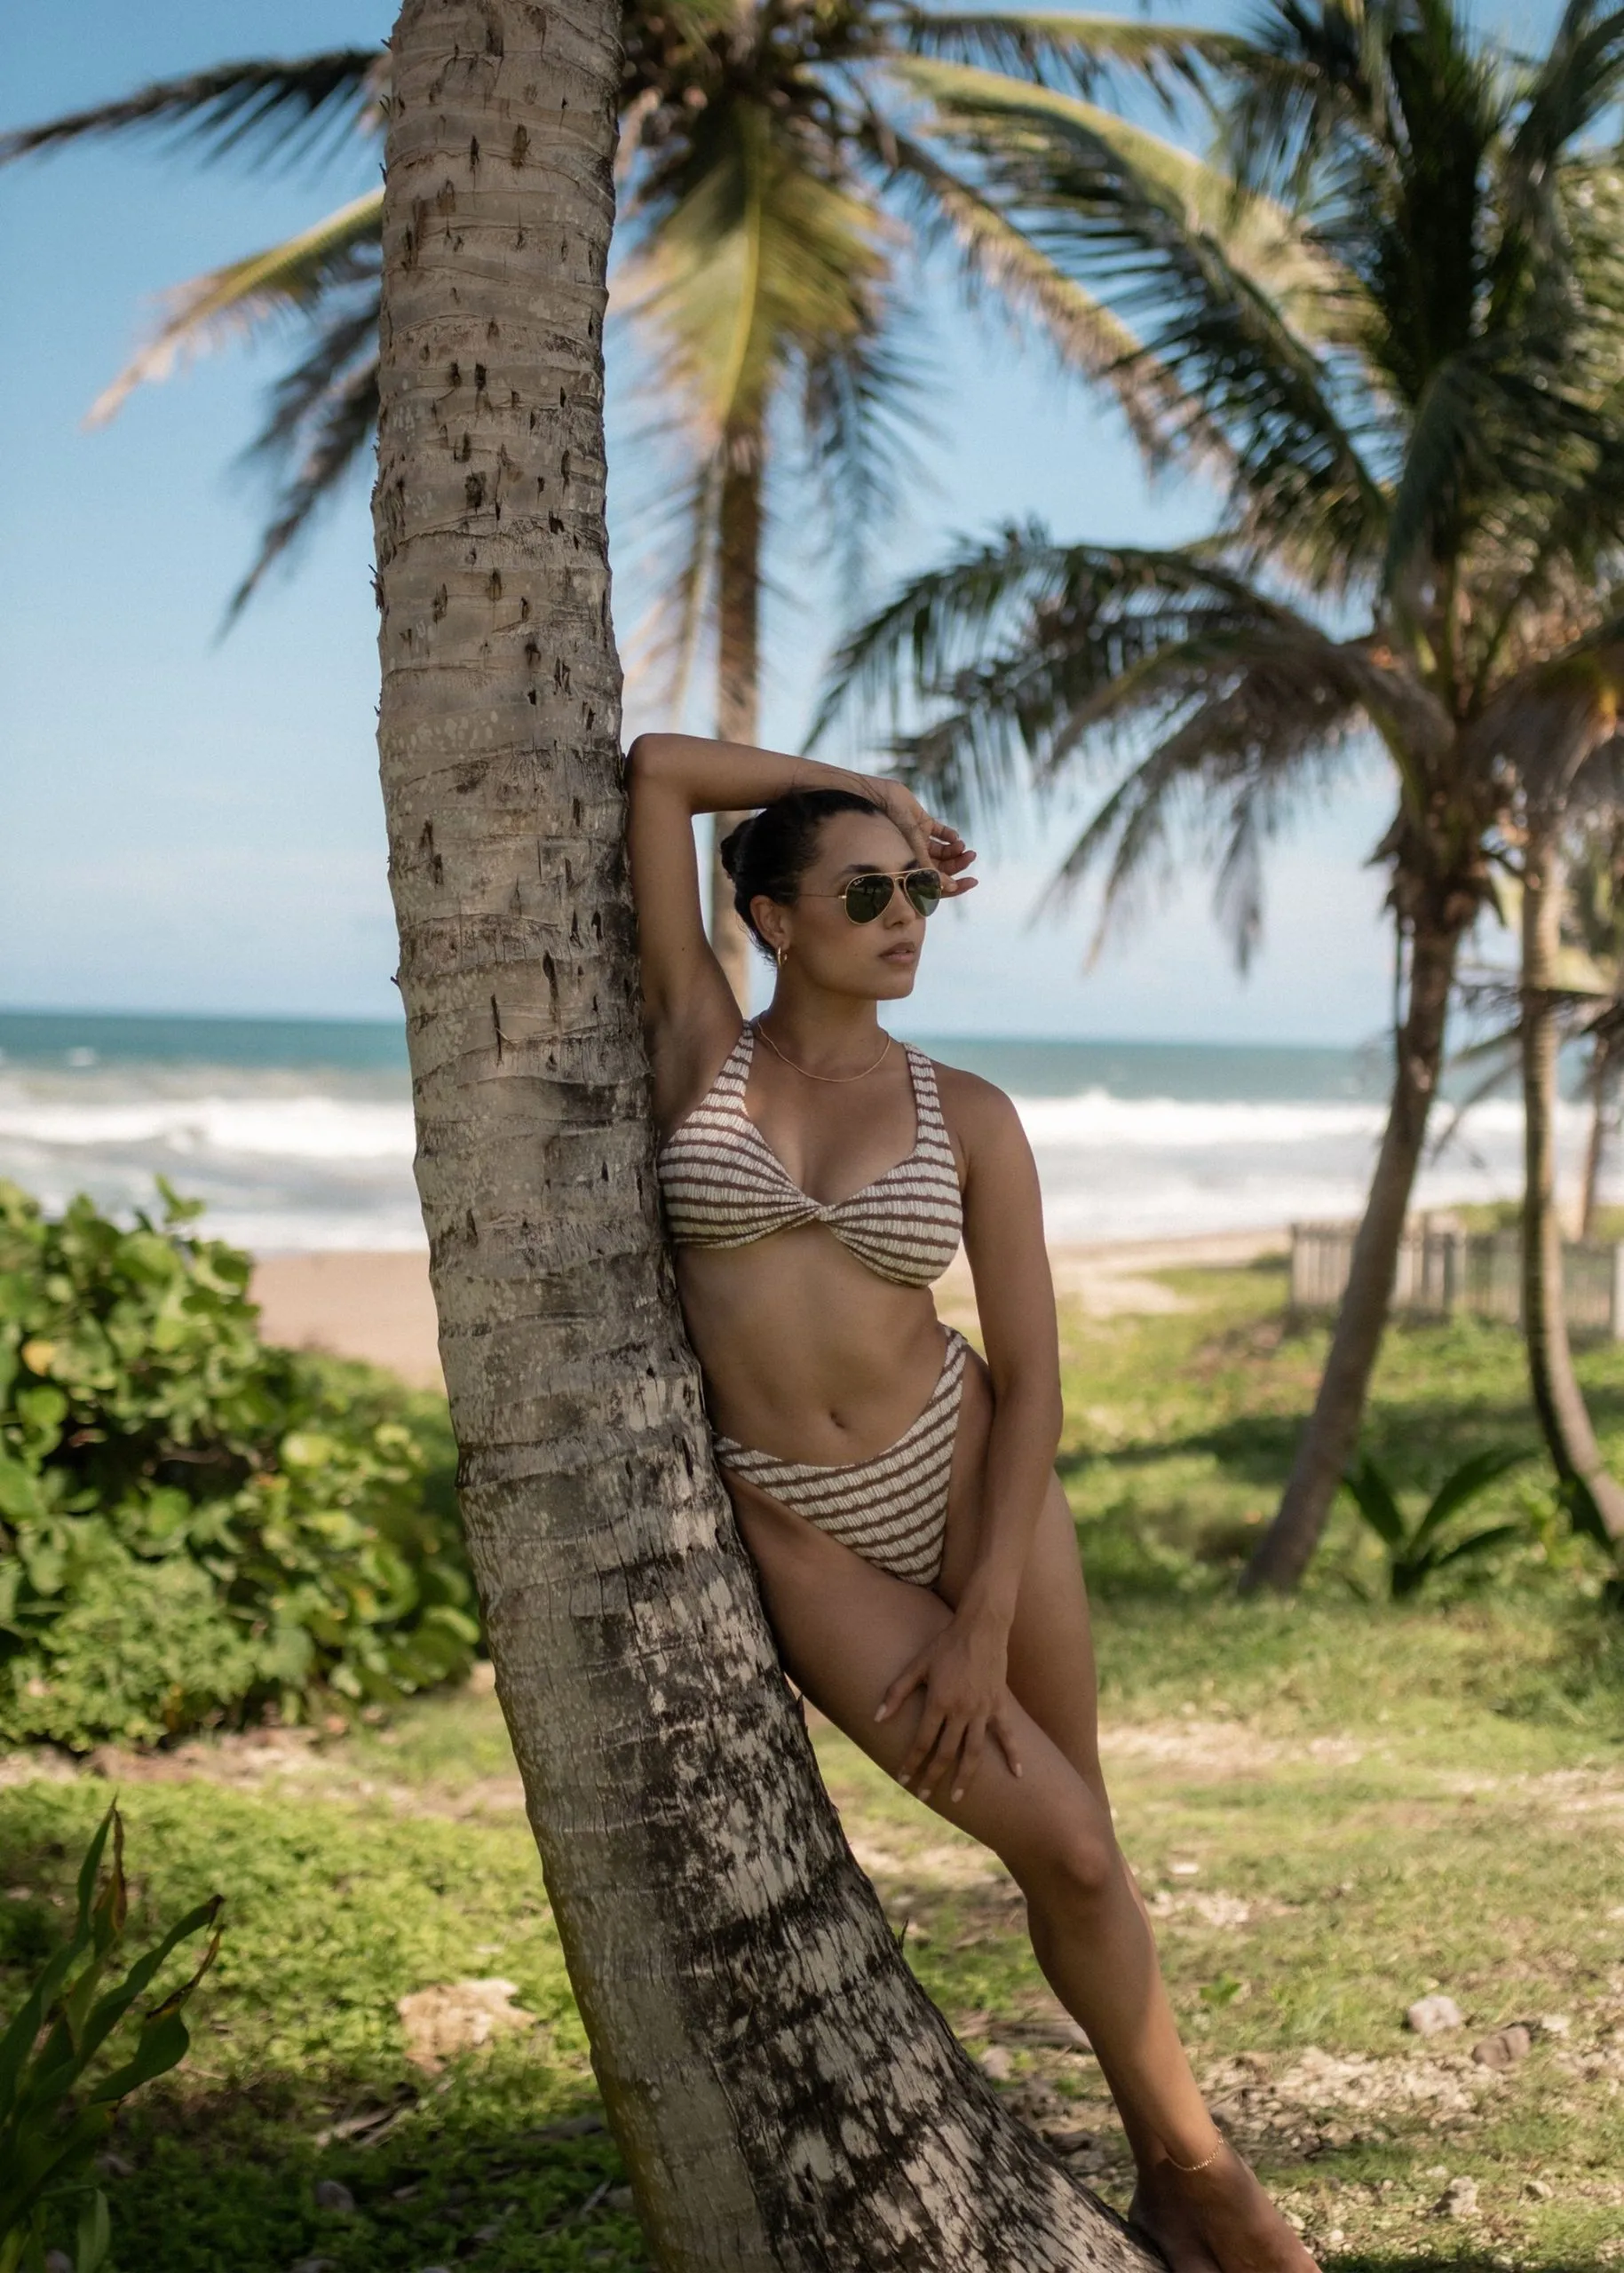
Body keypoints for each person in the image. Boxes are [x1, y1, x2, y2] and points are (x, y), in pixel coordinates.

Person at [627, 730, 1318, 2273]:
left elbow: (1038, 1384)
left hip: (966, 1479)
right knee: (1063, 1846)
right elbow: (661, 770)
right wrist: (887, 791)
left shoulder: (973, 1113)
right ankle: (1210, 2182)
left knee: (1086, 1851)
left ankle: (1173, 2173)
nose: (905, 913)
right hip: (799, 1520)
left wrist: (987, 1615)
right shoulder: (698, 1047)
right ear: (773, 919)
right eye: (867, 888)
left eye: (923, 888)